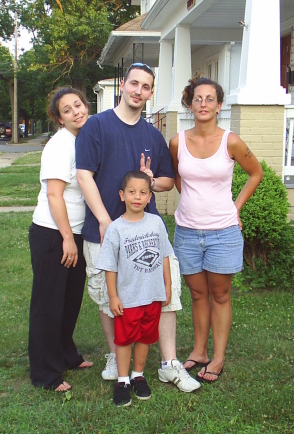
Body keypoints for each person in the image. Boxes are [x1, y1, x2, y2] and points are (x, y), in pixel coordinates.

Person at [76, 62, 200, 393]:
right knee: (108, 297)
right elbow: (84, 174)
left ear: (150, 93)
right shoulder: (96, 127)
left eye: (146, 87)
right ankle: (118, 356)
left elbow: (167, 180)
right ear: (123, 85)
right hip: (103, 231)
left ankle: (168, 364)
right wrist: (104, 218)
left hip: (149, 233)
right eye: (134, 83)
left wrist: (151, 181)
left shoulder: (152, 135)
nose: (138, 91)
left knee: (165, 292)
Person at [169, 76, 263, 383]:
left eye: (210, 99)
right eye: (198, 99)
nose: (203, 104)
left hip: (223, 232)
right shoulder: (177, 141)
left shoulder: (230, 141)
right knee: (198, 295)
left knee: (220, 295)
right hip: (186, 231)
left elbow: (255, 173)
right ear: (190, 104)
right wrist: (193, 205)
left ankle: (218, 357)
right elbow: (178, 177)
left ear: (219, 105)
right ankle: (199, 352)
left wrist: (235, 208)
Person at [28, 87, 93, 392]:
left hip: (74, 232)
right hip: (53, 234)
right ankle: (46, 373)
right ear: (59, 118)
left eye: (78, 105)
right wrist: (67, 238)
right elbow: (54, 194)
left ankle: (66, 354)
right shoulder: (60, 145)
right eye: (67, 110)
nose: (75, 112)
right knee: (49, 304)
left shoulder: (82, 140)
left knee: (69, 301)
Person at [96, 170, 174, 406]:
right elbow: (110, 266)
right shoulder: (116, 229)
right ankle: (122, 381)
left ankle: (138, 376)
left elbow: (165, 256)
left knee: (145, 338)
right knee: (124, 340)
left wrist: (167, 287)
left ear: (150, 197)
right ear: (122, 195)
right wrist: (113, 296)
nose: (137, 197)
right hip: (128, 298)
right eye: (132, 192)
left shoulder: (156, 223)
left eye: (143, 192)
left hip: (152, 296)